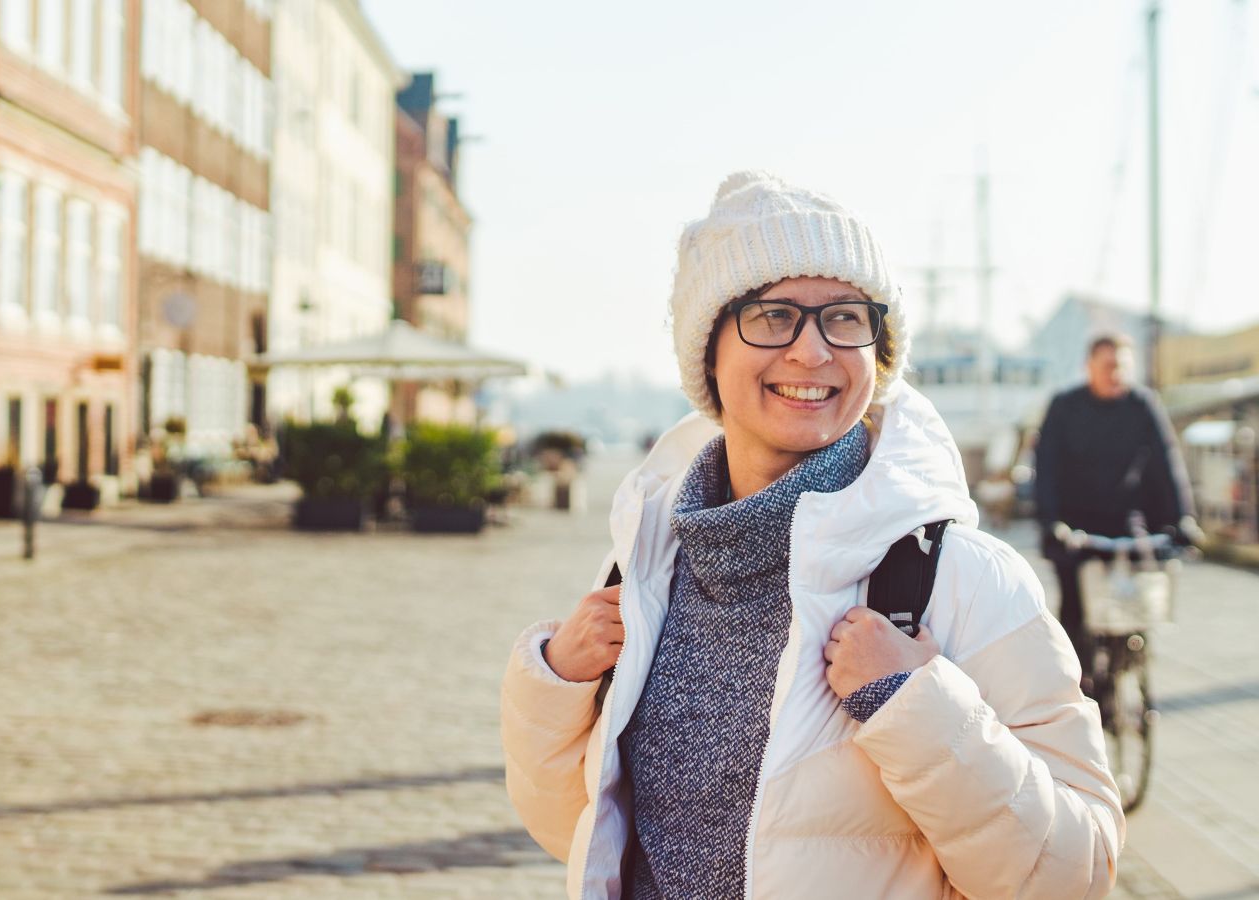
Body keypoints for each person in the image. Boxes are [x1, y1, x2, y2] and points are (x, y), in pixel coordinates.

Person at [499, 172, 1122, 899]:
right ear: (708, 352)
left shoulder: (964, 578)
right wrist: (556, 686)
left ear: (878, 350)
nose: (812, 351)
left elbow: (1076, 875)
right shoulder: (644, 565)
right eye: (772, 315)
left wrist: (916, 707)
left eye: (846, 317)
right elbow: (576, 834)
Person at [1033, 333, 1197, 675]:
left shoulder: (1142, 404)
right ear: (1089, 366)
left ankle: (1132, 671)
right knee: (1076, 616)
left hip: (1126, 522)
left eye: (1122, 366)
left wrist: (1182, 519)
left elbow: (1167, 463)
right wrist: (1051, 523)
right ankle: (1078, 688)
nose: (1115, 373)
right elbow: (1045, 468)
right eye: (1108, 365)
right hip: (1074, 527)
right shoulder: (1065, 406)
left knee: (1137, 606)